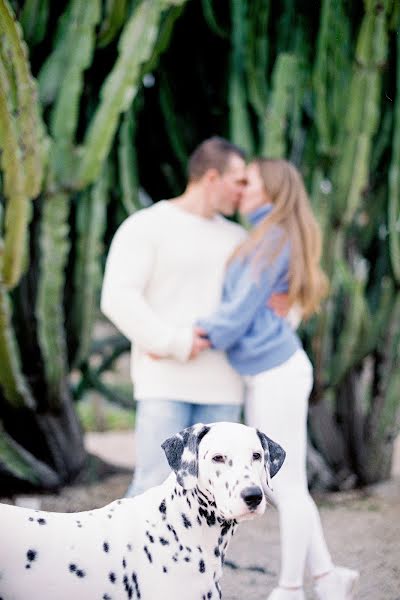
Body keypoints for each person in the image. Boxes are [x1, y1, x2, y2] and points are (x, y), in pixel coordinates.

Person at [196, 158, 359, 600]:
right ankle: (326, 578)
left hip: (276, 372)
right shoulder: (269, 235)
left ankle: (290, 588)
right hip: (269, 371)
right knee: (285, 485)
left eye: (249, 182)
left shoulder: (272, 237)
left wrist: (198, 333)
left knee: (283, 485)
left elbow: (242, 308)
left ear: (270, 190)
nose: (241, 188)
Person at [101, 136, 250, 496]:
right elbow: (117, 297)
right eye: (239, 181)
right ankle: (134, 556)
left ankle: (208, 557)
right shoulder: (147, 226)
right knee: (154, 486)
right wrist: (174, 341)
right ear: (212, 178)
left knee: (218, 492)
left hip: (223, 385)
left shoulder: (238, 237)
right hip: (164, 381)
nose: (244, 192)